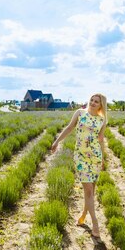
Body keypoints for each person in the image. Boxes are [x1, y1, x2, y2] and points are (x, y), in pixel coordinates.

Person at [51, 93, 107, 237]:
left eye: (96, 102)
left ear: (101, 105)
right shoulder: (80, 113)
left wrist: (103, 158)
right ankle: (95, 223)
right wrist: (57, 142)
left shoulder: (102, 120)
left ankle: (83, 215)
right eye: (92, 100)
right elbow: (69, 128)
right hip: (81, 157)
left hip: (95, 157)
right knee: (88, 189)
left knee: (91, 190)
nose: (93, 103)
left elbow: (100, 140)